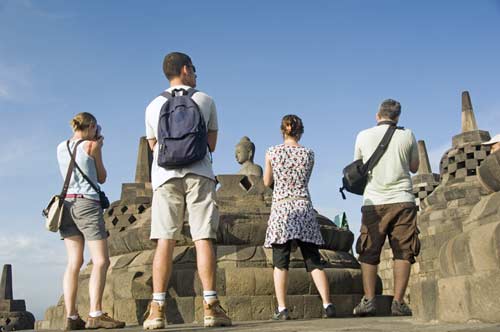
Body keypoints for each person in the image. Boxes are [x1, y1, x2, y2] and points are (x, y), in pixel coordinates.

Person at [142, 52, 231, 329]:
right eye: (194, 68)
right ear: (184, 69)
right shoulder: (205, 99)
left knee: (164, 241)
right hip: (200, 173)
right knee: (203, 237)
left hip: (165, 177)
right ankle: (211, 307)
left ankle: (157, 310)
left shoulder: (153, 105)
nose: (195, 73)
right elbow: (211, 144)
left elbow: (154, 147)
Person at [56, 112, 125, 330]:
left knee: (73, 262)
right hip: (87, 204)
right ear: (92, 126)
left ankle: (72, 316)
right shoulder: (91, 147)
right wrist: (98, 147)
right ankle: (95, 313)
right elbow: (102, 177)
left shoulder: (60, 146)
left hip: (65, 206)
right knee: (101, 260)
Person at [263, 114, 336, 320]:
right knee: (313, 259)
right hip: (303, 206)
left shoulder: (272, 152)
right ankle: (328, 304)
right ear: (300, 131)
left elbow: (267, 180)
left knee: (280, 261)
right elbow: (304, 179)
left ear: (281, 130)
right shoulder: (309, 154)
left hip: (282, 209)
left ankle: (282, 308)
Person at [352, 99, 420, 317]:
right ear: (397, 117)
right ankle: (398, 303)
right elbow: (414, 167)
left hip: (373, 201)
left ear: (377, 115)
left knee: (368, 250)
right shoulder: (407, 134)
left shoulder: (362, 135)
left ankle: (369, 300)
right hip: (403, 200)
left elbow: (358, 166)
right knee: (404, 251)